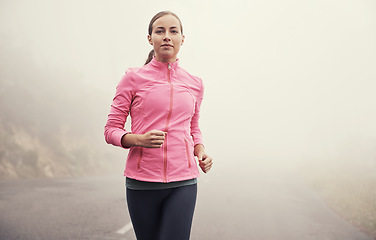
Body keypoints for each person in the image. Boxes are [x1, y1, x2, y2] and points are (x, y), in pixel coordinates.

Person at [104, 11, 213, 240]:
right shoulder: (132, 79)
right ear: (149, 38)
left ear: (182, 39)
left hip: (183, 181)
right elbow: (111, 130)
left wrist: (200, 150)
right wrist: (138, 139)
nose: (167, 36)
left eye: (173, 31)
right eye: (160, 31)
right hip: (141, 182)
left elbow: (194, 128)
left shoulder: (195, 84)